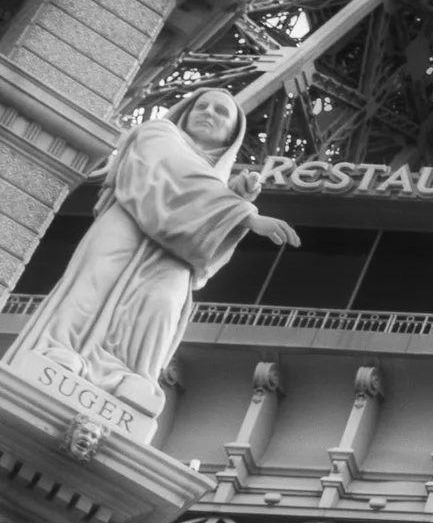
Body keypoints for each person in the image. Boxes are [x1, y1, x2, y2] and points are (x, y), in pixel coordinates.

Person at [7, 86, 297, 413]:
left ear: (232, 135)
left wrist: (234, 198)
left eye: (221, 111)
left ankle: (128, 375)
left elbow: (199, 200)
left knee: (164, 302)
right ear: (186, 112)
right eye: (202, 106)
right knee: (96, 282)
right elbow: (175, 173)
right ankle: (60, 350)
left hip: (178, 252)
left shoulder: (219, 185)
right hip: (129, 221)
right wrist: (244, 213)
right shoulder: (159, 133)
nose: (209, 113)